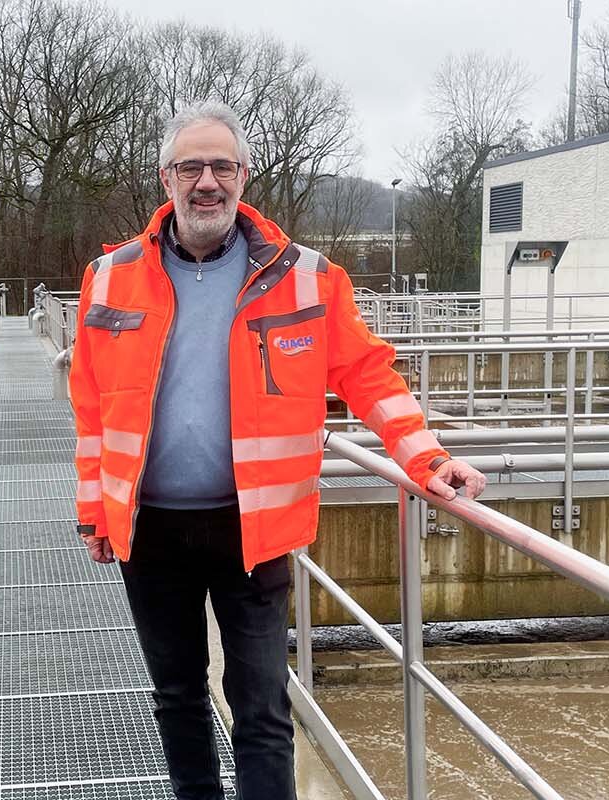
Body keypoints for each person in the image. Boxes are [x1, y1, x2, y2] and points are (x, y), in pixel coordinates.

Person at [67, 100, 487, 800]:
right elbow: (89, 403)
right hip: (150, 528)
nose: (208, 181)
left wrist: (427, 460)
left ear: (245, 175)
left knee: (261, 706)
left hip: (253, 530)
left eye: (222, 166)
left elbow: (368, 376)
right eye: (191, 166)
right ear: (164, 179)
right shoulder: (109, 277)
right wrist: (94, 513)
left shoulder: (307, 278)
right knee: (176, 695)